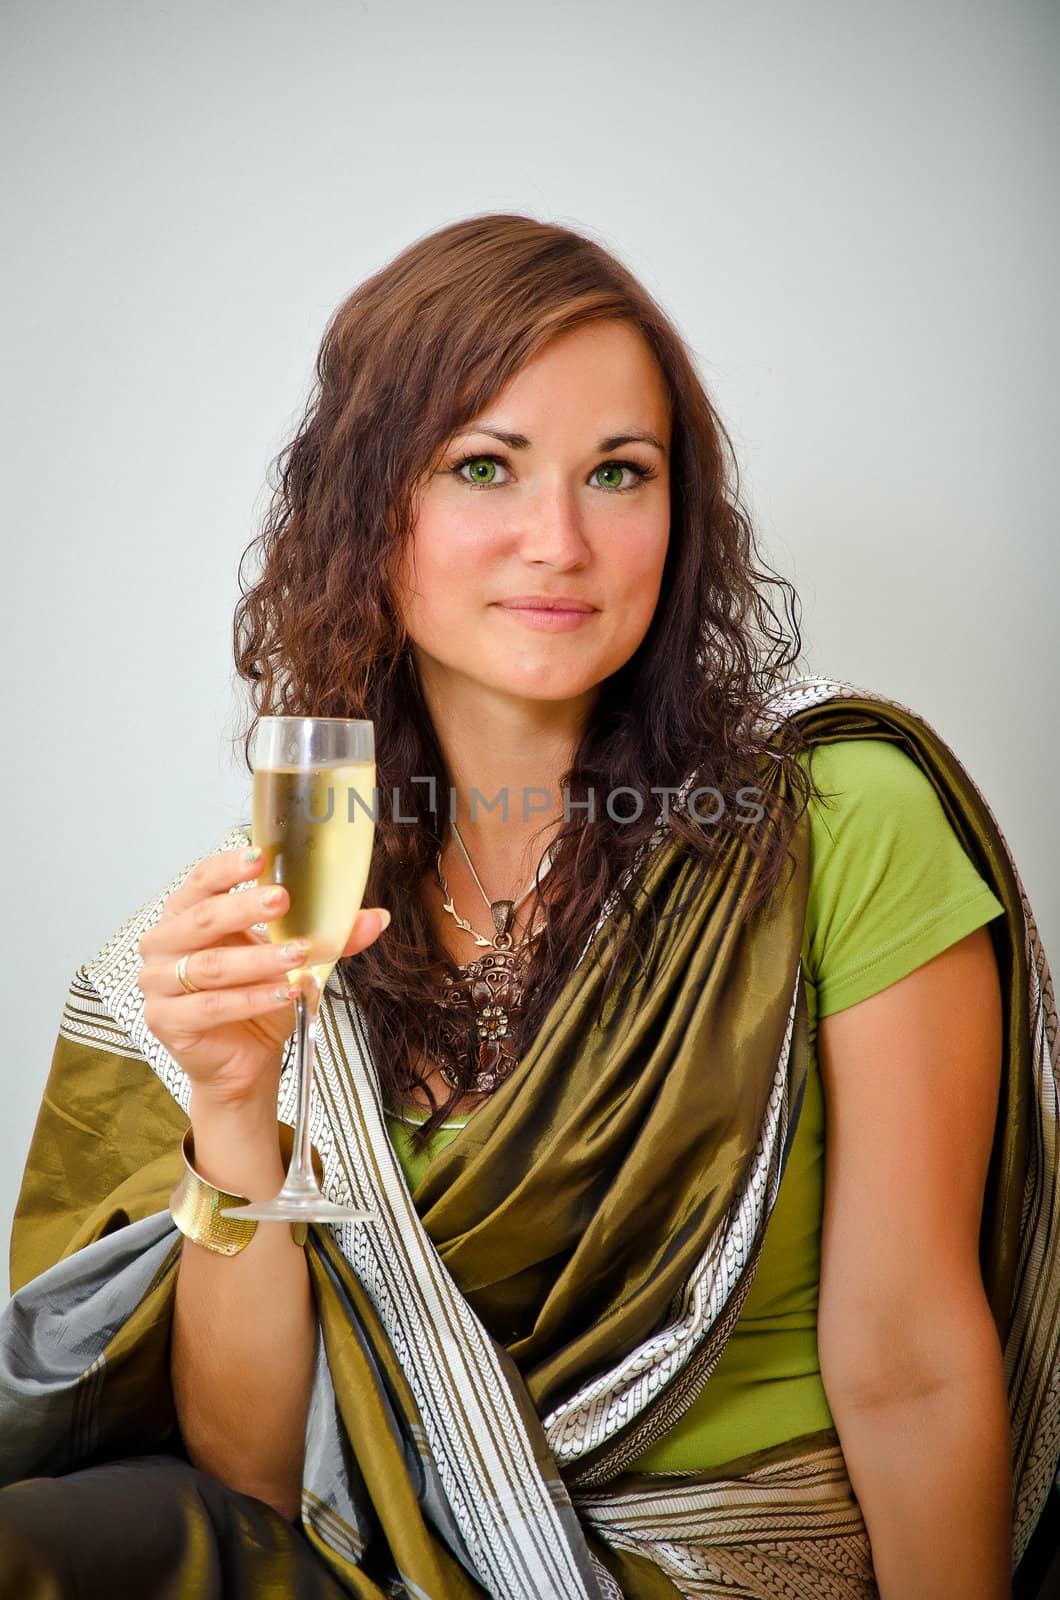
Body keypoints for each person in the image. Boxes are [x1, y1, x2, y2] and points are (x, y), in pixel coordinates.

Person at [1, 214, 1057, 1600]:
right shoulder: (296, 900)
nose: (558, 540)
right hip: (399, 1562)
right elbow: (256, 1485)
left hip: (723, 1566)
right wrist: (235, 1111)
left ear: (678, 522)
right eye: (485, 467)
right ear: (372, 510)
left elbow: (914, 1365)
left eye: (619, 473)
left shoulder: (834, 818)